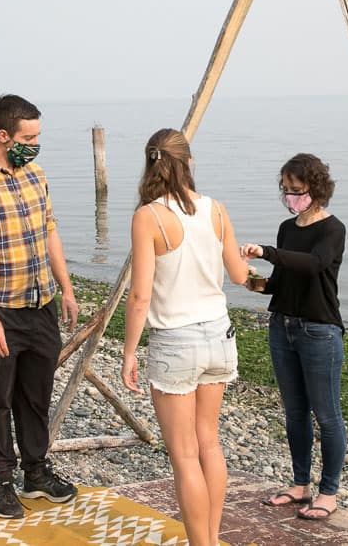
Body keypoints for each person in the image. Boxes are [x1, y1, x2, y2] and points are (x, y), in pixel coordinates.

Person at [0, 93, 80, 519]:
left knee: (36, 395)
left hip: (40, 304)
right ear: (4, 135)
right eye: (30, 136)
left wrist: (67, 288)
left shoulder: (34, 174)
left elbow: (50, 231)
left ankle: (36, 472)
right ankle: (2, 481)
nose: (36, 143)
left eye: (38, 135)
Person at [121, 128, 249, 546]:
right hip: (219, 336)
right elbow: (239, 275)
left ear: (150, 163)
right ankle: (210, 539)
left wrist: (128, 352)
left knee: (185, 455)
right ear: (189, 162)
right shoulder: (216, 210)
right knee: (209, 444)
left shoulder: (148, 217)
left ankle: (203, 545)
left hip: (175, 341)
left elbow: (140, 296)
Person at [240, 153, 347, 521]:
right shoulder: (288, 229)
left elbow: (315, 264)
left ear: (315, 189)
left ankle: (328, 493)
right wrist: (257, 283)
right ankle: (300, 485)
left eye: (296, 190)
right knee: (295, 412)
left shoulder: (333, 229)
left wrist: (268, 253)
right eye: (285, 190)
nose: (290, 196)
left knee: (327, 415)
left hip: (319, 330)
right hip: (282, 326)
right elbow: (282, 281)